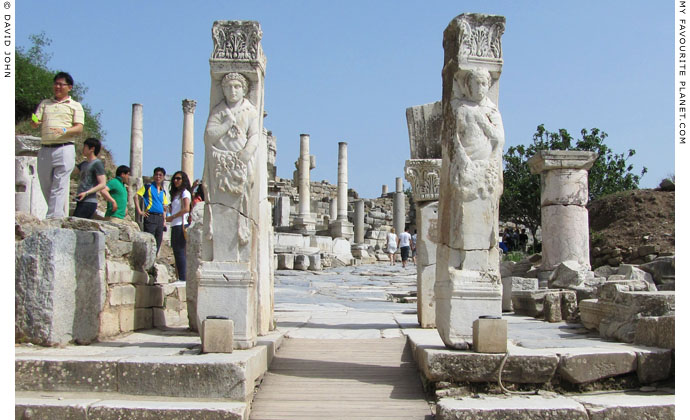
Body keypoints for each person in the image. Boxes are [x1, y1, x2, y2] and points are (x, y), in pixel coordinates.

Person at [32, 71, 85, 218]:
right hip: (45, 148)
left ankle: (53, 218)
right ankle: (58, 214)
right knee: (45, 183)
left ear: (69, 87)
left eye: (61, 84)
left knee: (60, 184)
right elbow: (36, 119)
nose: (57, 87)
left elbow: (79, 127)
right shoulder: (45, 103)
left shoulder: (75, 106)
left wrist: (64, 130)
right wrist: (35, 122)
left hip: (64, 147)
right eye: (56, 83)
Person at [135, 167, 169, 254]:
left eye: (160, 175)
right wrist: (140, 211)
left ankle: (153, 262)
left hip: (160, 218)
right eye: (156, 174)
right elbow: (136, 196)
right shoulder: (148, 187)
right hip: (150, 216)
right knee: (149, 240)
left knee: (158, 241)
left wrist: (164, 220)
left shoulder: (163, 191)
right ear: (153, 176)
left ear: (163, 177)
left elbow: (164, 207)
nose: (158, 176)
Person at [73, 138, 107, 219]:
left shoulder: (97, 164)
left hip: (89, 201)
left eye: (85, 147)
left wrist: (86, 193)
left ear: (92, 149)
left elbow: (102, 184)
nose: (83, 149)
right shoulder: (83, 164)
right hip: (80, 200)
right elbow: (71, 171)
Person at [166, 171, 192, 282]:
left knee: (180, 251)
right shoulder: (176, 194)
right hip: (175, 225)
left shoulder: (185, 193)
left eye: (178, 178)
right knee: (176, 251)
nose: (176, 181)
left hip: (180, 224)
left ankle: (183, 278)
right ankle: (180, 276)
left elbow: (187, 208)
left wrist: (173, 217)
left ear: (183, 180)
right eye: (175, 179)